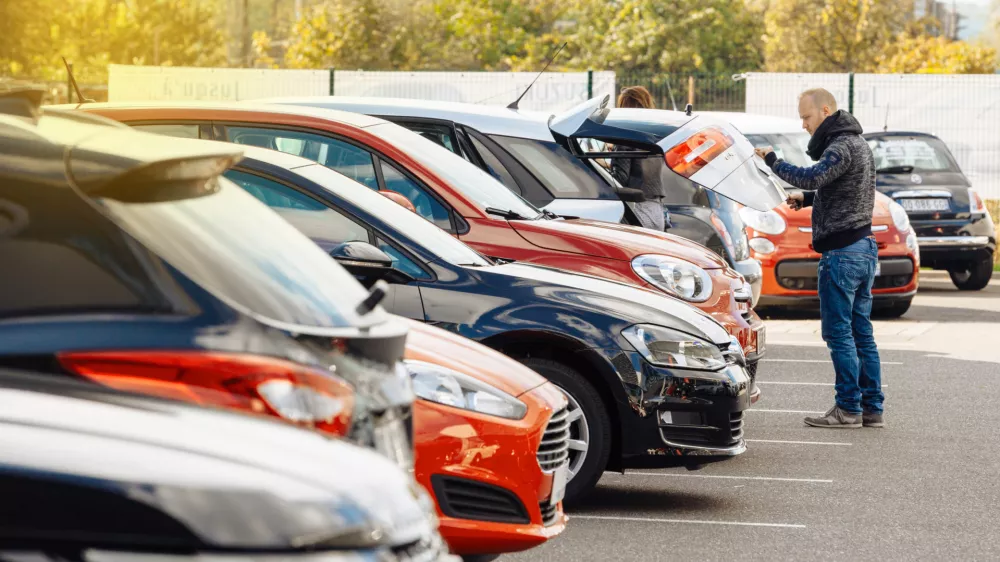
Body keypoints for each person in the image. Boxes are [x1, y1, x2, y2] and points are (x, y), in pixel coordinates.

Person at [755, 88, 884, 429]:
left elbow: (811, 176)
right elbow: (843, 189)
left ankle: (848, 409)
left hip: (843, 253)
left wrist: (773, 160)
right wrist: (809, 199)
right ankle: (871, 409)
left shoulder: (840, 146)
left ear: (826, 110)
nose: (804, 124)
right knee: (861, 333)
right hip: (862, 247)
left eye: (807, 116)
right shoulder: (857, 143)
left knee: (839, 334)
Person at [610, 86, 670, 231]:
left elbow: (620, 179)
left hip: (637, 211)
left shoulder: (625, 137)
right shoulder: (653, 136)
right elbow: (639, 166)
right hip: (657, 211)